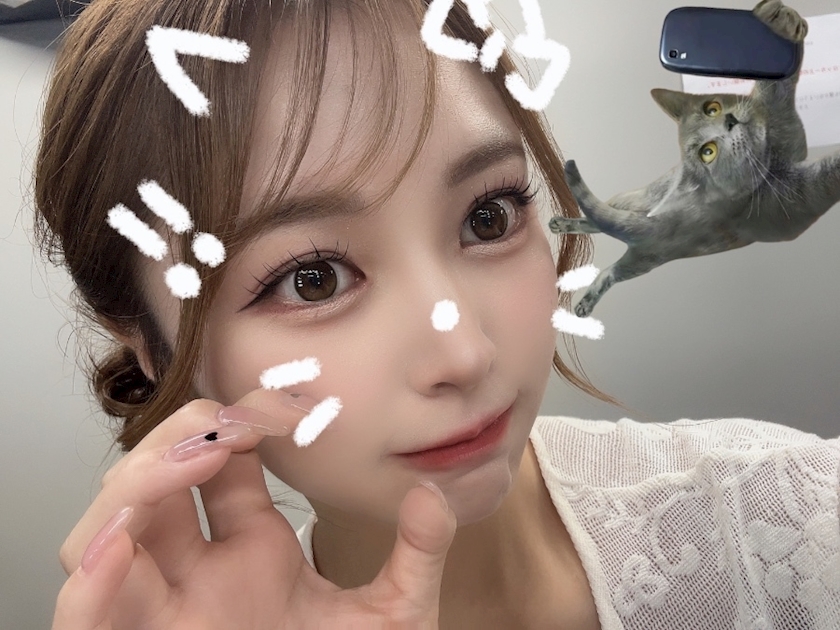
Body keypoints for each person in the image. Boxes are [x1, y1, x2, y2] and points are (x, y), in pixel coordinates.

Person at [36, 0, 838, 628]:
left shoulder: (792, 520)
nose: (465, 356)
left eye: (489, 217)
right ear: (150, 345)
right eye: (312, 280)